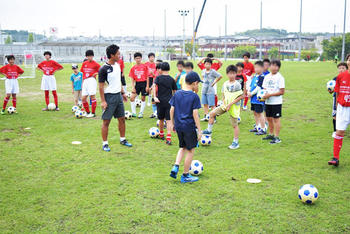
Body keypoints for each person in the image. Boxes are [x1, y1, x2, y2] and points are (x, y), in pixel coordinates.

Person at [169, 71, 202, 183]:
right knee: (190, 150)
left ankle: (176, 166)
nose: (198, 86)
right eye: (198, 84)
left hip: (178, 125)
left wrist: (172, 123)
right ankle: (185, 175)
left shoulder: (177, 93)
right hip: (189, 127)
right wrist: (200, 130)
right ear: (194, 83)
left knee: (182, 147)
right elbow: (195, 114)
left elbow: (172, 109)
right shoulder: (194, 96)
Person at [99, 44, 132, 152]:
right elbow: (100, 86)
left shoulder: (117, 65)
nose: (119, 55)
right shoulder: (103, 69)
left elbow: (118, 81)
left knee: (122, 119)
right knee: (106, 122)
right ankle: (105, 144)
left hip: (118, 96)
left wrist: (122, 93)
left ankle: (123, 139)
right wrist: (103, 101)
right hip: (109, 97)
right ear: (112, 55)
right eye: (118, 54)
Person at [202, 65, 244, 149]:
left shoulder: (237, 85)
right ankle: (209, 131)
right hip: (225, 105)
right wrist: (223, 102)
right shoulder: (225, 83)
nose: (231, 75)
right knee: (212, 113)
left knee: (234, 125)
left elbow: (241, 96)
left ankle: (236, 142)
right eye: (230, 73)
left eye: (233, 73)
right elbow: (223, 94)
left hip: (233, 107)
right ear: (227, 74)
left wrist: (230, 104)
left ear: (236, 74)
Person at [328, 55, 350, 167]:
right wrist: (336, 110)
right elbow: (337, 94)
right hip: (343, 107)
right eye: (349, 59)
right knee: (339, 132)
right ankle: (335, 158)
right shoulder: (341, 76)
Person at [153, 62, 177, 145]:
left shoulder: (158, 78)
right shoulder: (172, 79)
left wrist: (155, 97)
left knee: (161, 119)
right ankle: (168, 138)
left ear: (161, 69)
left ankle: (161, 134)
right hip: (169, 102)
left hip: (160, 101)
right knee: (169, 120)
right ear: (169, 69)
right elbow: (175, 92)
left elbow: (154, 86)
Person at [262, 59, 285, 144]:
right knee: (268, 119)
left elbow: (282, 92)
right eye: (272, 65)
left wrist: (270, 95)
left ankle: (277, 137)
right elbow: (264, 89)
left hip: (276, 102)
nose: (274, 67)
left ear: (278, 68)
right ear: (269, 66)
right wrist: (262, 96)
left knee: (276, 119)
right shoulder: (267, 76)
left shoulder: (280, 77)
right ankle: (271, 134)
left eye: (276, 66)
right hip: (268, 102)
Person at [247, 61, 266, 135]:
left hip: (258, 99)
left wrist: (251, 93)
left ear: (262, 68)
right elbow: (250, 85)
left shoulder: (262, 77)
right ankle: (257, 126)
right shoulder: (254, 76)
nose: (256, 69)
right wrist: (248, 91)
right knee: (255, 113)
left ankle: (263, 128)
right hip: (252, 98)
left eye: (258, 67)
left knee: (260, 113)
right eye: (255, 67)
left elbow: (258, 88)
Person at [329, 62, 348, 137]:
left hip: (346, 99)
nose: (341, 70)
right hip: (336, 98)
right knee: (335, 115)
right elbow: (332, 89)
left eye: (343, 68)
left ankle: (342, 130)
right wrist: (330, 90)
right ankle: (335, 131)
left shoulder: (348, 77)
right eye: (339, 68)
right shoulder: (335, 79)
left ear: (346, 69)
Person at [80, 50, 101, 118]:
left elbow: (102, 71)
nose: (90, 57)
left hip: (92, 80)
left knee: (92, 96)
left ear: (93, 56)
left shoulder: (96, 64)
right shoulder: (84, 63)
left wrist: (96, 73)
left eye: (91, 56)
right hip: (85, 81)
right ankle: (87, 112)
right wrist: (82, 82)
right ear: (86, 56)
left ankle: (93, 113)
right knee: (83, 98)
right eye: (88, 56)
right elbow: (82, 73)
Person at [129, 52, 149, 118]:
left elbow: (147, 77)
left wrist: (147, 86)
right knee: (132, 98)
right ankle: (134, 113)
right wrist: (133, 87)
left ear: (141, 58)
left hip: (144, 83)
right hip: (137, 84)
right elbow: (132, 78)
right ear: (134, 59)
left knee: (143, 98)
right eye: (137, 58)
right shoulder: (133, 68)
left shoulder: (145, 67)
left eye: (139, 58)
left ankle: (141, 113)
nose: (138, 59)